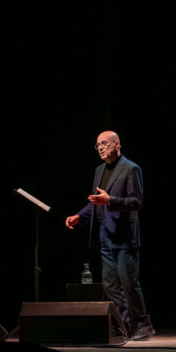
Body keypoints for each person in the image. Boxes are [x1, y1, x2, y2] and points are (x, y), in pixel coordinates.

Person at [65, 131, 155, 340]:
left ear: (117, 144)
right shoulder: (99, 170)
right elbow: (96, 201)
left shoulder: (131, 168)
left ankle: (142, 325)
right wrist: (79, 216)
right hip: (104, 235)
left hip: (124, 237)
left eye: (105, 143)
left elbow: (136, 202)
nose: (101, 148)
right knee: (110, 286)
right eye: (98, 145)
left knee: (128, 283)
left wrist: (111, 200)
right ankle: (124, 325)